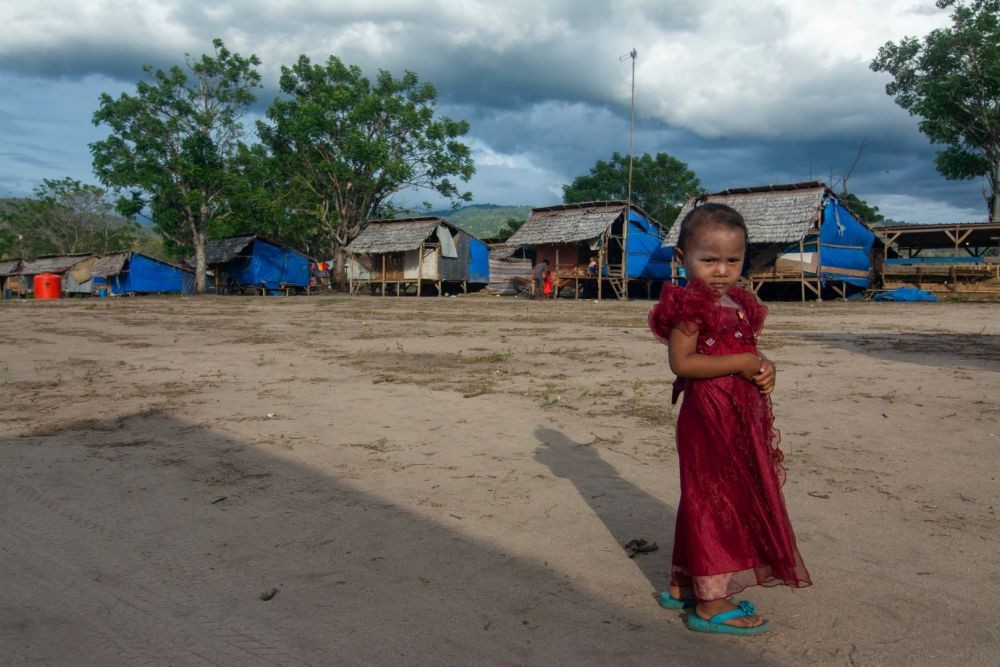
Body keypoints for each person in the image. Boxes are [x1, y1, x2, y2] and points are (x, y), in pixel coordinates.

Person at [648, 203, 811, 636]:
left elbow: (744, 350)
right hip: (708, 417)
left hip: (738, 416)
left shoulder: (736, 301)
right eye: (709, 259)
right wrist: (741, 360)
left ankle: (684, 584)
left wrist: (763, 364)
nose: (721, 270)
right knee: (714, 499)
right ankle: (712, 601)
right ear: (682, 258)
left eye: (733, 261)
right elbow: (683, 363)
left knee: (709, 495)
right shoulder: (689, 307)